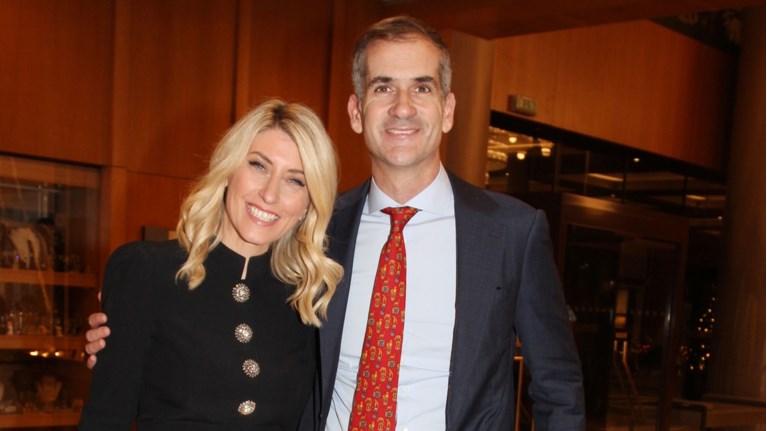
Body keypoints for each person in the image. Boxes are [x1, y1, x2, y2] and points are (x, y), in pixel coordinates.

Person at [87, 15, 585, 430]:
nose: (403, 107)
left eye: (422, 87)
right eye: (383, 87)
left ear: (448, 108)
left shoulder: (511, 233)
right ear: (356, 110)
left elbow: (558, 385)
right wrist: (122, 338)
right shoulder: (318, 235)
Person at [78, 99, 343, 430]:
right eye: (258, 166)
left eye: (295, 181)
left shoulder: (308, 301)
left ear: (308, 204)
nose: (270, 194)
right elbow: (105, 418)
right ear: (229, 169)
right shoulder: (147, 270)